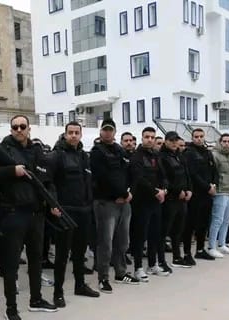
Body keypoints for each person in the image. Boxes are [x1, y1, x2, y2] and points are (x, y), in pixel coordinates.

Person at [0, 115, 58, 320]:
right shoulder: (2, 150)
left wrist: (52, 203)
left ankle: (36, 299)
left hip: (36, 213)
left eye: (22, 126)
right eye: (15, 127)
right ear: (11, 129)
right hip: (13, 213)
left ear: (28, 129)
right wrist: (12, 171)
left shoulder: (36, 151)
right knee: (11, 264)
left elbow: (47, 179)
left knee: (36, 260)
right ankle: (11, 307)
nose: (19, 130)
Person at [49, 122, 100, 307]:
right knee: (62, 255)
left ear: (80, 134)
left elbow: (89, 181)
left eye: (76, 132)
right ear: (65, 134)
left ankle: (80, 285)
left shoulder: (84, 156)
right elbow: (50, 182)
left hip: (84, 210)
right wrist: (54, 204)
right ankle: (58, 292)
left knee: (80, 253)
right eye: (70, 132)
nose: (73, 135)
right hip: (65, 211)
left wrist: (90, 202)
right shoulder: (56, 155)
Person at [90, 119, 139, 293]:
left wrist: (129, 193)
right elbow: (103, 177)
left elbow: (132, 173)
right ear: (101, 132)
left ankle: (121, 272)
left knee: (123, 241)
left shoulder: (120, 151)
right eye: (105, 130)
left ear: (115, 132)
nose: (108, 133)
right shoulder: (96, 152)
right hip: (106, 202)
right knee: (105, 243)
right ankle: (103, 278)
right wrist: (122, 194)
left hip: (124, 203)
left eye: (110, 130)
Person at [129, 126, 168, 281]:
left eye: (152, 137)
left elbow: (163, 175)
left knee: (155, 234)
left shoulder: (156, 155)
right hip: (141, 202)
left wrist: (164, 189)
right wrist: (155, 191)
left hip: (156, 202)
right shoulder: (136, 156)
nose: (150, 140)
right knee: (140, 236)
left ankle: (152, 264)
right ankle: (138, 268)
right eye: (147, 137)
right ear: (142, 138)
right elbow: (139, 178)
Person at [182, 128, 217, 264]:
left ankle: (200, 250)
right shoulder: (189, 153)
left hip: (208, 194)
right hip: (196, 194)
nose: (199, 139)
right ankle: (187, 253)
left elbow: (214, 170)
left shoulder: (207, 152)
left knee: (203, 223)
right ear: (192, 138)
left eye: (201, 136)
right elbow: (193, 174)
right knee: (190, 224)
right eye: (196, 136)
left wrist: (213, 185)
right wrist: (207, 187)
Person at [157, 132, 191, 271]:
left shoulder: (179, 156)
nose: (174, 143)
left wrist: (189, 190)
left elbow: (187, 175)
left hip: (182, 199)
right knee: (164, 232)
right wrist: (178, 191)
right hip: (170, 199)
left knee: (178, 230)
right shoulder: (162, 157)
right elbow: (165, 178)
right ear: (165, 141)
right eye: (171, 140)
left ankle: (177, 257)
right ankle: (161, 261)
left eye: (175, 140)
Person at [207, 133, 229, 258]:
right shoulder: (215, 155)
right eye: (224, 141)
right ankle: (211, 246)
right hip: (220, 190)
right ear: (220, 142)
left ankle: (222, 244)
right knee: (217, 219)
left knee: (226, 220)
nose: (226, 143)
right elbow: (212, 172)